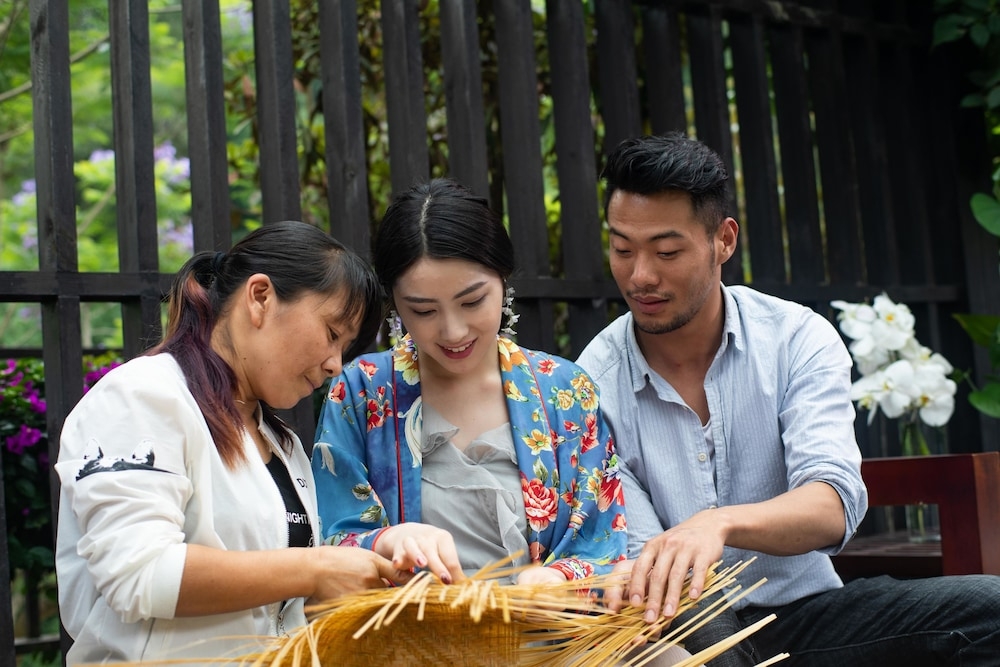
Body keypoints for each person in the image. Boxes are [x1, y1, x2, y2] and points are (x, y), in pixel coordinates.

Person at [576, 132, 1000, 666]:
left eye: (667, 251)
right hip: (683, 629)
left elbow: (832, 503)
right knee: (694, 631)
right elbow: (643, 559)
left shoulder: (796, 337)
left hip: (810, 615)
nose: (640, 276)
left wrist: (719, 522)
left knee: (991, 609)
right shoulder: (593, 379)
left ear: (723, 240)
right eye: (621, 249)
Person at [55, 221, 406, 664]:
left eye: (346, 348)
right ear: (260, 297)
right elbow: (141, 574)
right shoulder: (141, 396)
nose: (335, 364)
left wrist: (377, 558)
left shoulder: (282, 444)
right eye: (333, 334)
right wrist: (314, 568)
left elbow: (278, 608)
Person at [311, 178, 628, 588]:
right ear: (396, 305)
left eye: (472, 301)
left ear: (503, 281)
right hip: (407, 642)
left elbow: (602, 543)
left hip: (552, 637)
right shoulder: (362, 392)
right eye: (424, 311)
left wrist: (555, 581)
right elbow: (329, 538)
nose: (454, 331)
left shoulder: (566, 391)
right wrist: (386, 540)